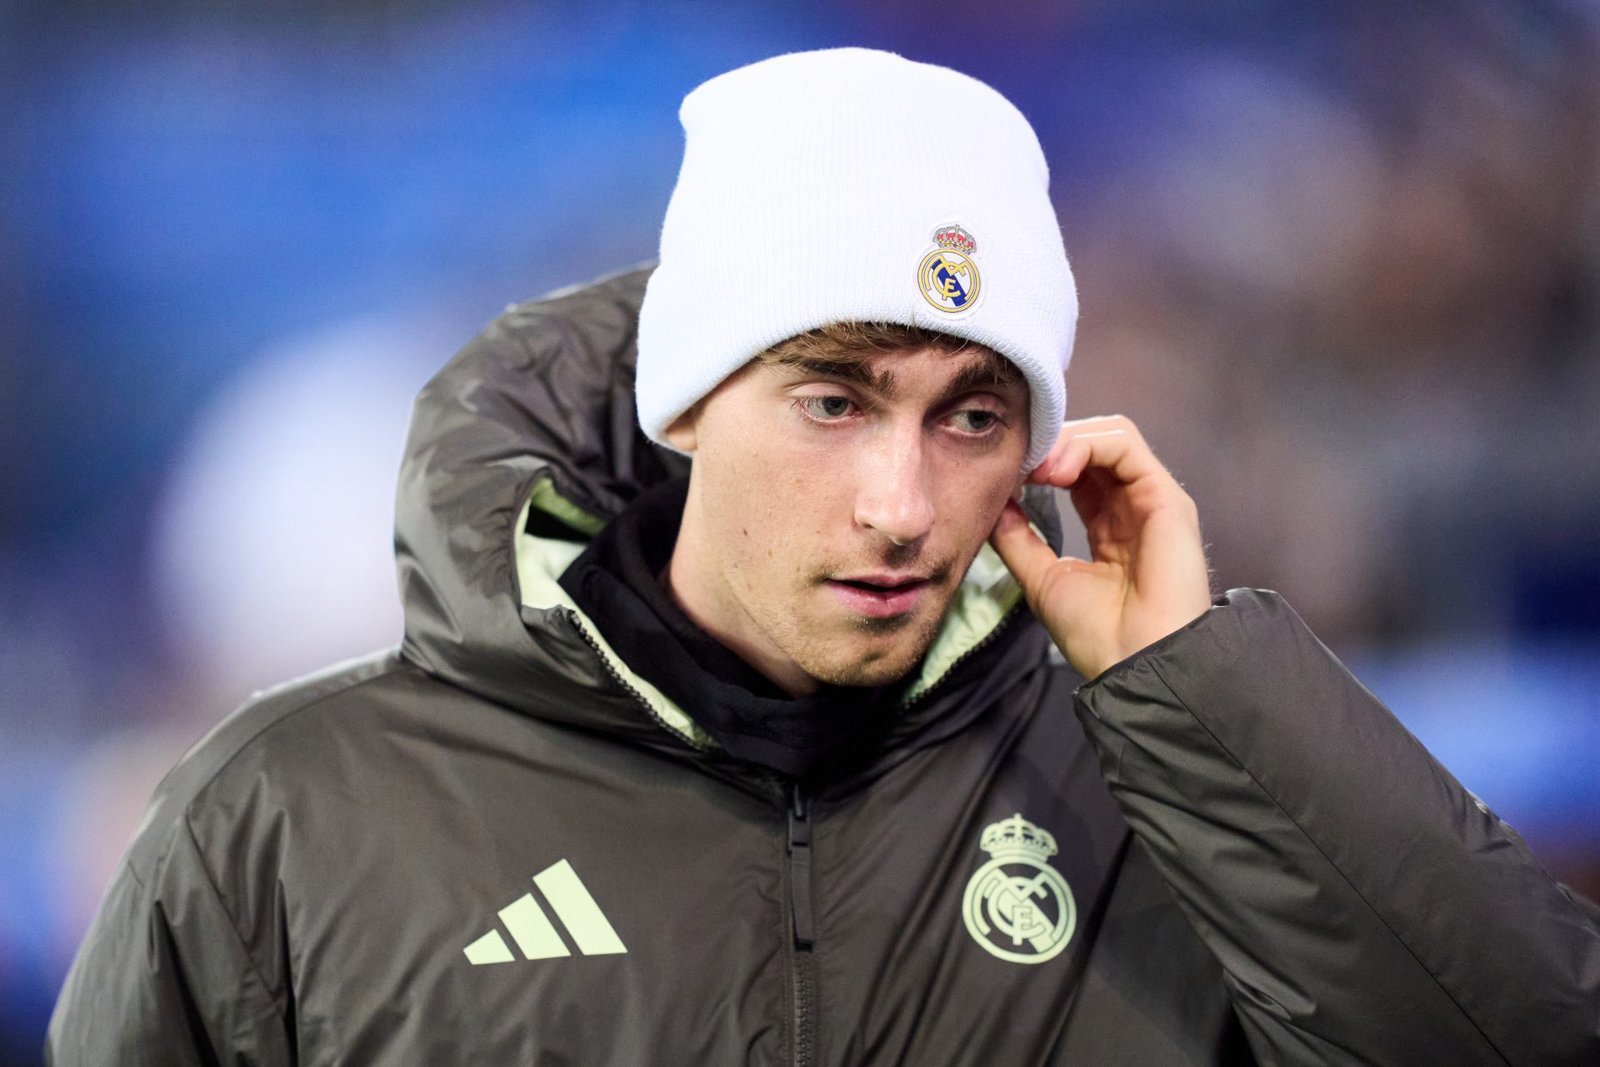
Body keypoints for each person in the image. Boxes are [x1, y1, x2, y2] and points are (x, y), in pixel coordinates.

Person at [47, 47, 1599, 1067]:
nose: (899, 503)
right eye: (833, 401)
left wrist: (1211, 701)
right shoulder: (287, 820)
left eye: (973, 415)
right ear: (682, 404)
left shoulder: (1173, 795)